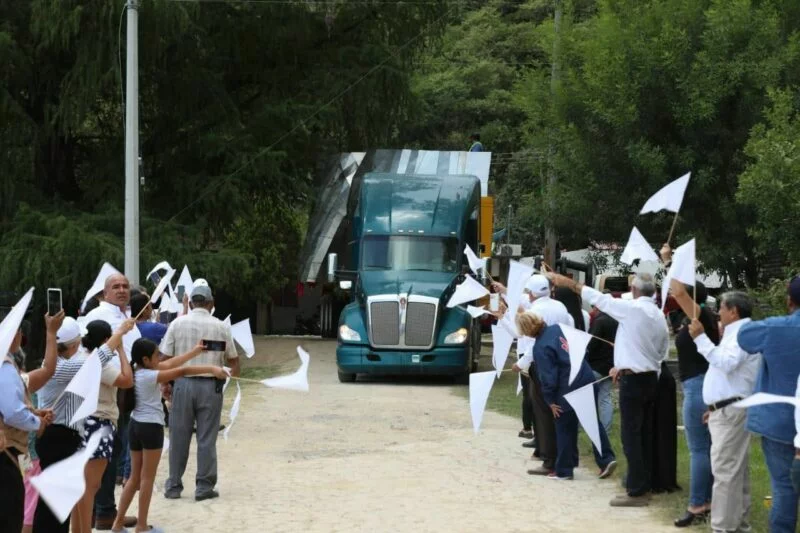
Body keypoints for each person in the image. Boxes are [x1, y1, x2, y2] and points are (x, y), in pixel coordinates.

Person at [548, 271, 669, 507]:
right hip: (649, 376)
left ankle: (636, 490)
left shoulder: (633, 309)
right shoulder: (657, 314)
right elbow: (659, 348)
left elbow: (601, 300)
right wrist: (623, 365)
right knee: (643, 434)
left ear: (634, 291)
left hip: (635, 380)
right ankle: (641, 481)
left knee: (631, 435)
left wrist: (571, 284)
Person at [112, 338, 227, 533]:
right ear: (146, 359)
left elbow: (172, 363)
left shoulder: (136, 371)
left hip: (135, 425)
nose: (161, 357)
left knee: (133, 478)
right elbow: (181, 371)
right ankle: (141, 525)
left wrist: (195, 352)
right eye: (157, 354)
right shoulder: (150, 376)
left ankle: (117, 524)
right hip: (150, 428)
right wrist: (212, 369)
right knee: (147, 479)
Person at [33, 317, 130, 532]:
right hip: (59, 436)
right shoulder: (62, 367)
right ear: (74, 345)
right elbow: (99, 359)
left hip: (58, 436)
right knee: (54, 505)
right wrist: (121, 332)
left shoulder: (55, 364)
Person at [686, 290, 759, 533]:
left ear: (734, 311)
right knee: (735, 471)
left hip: (731, 410)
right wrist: (715, 407)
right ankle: (737, 525)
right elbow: (728, 373)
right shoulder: (738, 333)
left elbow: (727, 364)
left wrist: (701, 339)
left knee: (726, 472)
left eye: (722, 308)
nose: (719, 312)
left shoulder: (742, 334)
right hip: (727, 408)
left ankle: (723, 528)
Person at [514, 312, 617, 480]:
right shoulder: (558, 328)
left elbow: (548, 377)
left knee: (564, 427)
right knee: (592, 421)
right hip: (586, 376)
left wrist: (550, 401)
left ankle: (564, 470)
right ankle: (606, 459)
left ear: (526, 330)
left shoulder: (540, 347)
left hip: (567, 387)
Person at [161, 285, 240, 500]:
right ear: (211, 303)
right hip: (211, 387)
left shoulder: (177, 324)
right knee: (206, 438)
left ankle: (174, 485)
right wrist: (227, 379)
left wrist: (165, 384)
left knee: (178, 435)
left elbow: (163, 359)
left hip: (182, 384)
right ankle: (204, 487)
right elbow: (233, 360)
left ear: (191, 302)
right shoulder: (221, 326)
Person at [738, 277, 800, 533]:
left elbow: (744, 335)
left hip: (778, 419)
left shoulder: (777, 328)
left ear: (789, 300)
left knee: (783, 487)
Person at [84, 273, 140, 531]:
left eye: (125, 286)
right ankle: (104, 510)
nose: (121, 290)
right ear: (104, 293)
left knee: (114, 450)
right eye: (115, 287)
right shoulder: (100, 315)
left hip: (122, 385)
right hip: (110, 385)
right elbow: (103, 354)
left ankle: (103, 508)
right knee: (107, 453)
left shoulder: (124, 316)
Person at [75, 320, 134, 533]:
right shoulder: (99, 364)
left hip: (84, 423)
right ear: (105, 340)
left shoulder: (80, 358)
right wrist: (121, 351)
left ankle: (78, 529)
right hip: (100, 422)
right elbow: (127, 380)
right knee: (91, 486)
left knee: (84, 485)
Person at [668, 279, 718, 526]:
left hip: (698, 386)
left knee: (698, 449)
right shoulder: (694, 318)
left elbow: (677, 291)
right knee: (706, 449)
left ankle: (697, 504)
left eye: (680, 295)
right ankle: (707, 502)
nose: (673, 295)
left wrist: (669, 262)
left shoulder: (701, 315)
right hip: (699, 384)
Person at [1, 316, 52, 533]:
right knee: (8, 518)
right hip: (7, 453)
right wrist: (35, 421)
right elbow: (12, 413)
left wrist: (31, 413)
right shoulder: (5, 366)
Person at [586, 304, 617, 435]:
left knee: (586, 397)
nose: (592, 310)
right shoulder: (617, 320)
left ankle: (586, 426)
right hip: (611, 365)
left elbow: (591, 343)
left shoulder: (599, 321)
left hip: (596, 365)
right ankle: (605, 430)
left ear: (598, 308)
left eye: (593, 308)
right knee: (605, 398)